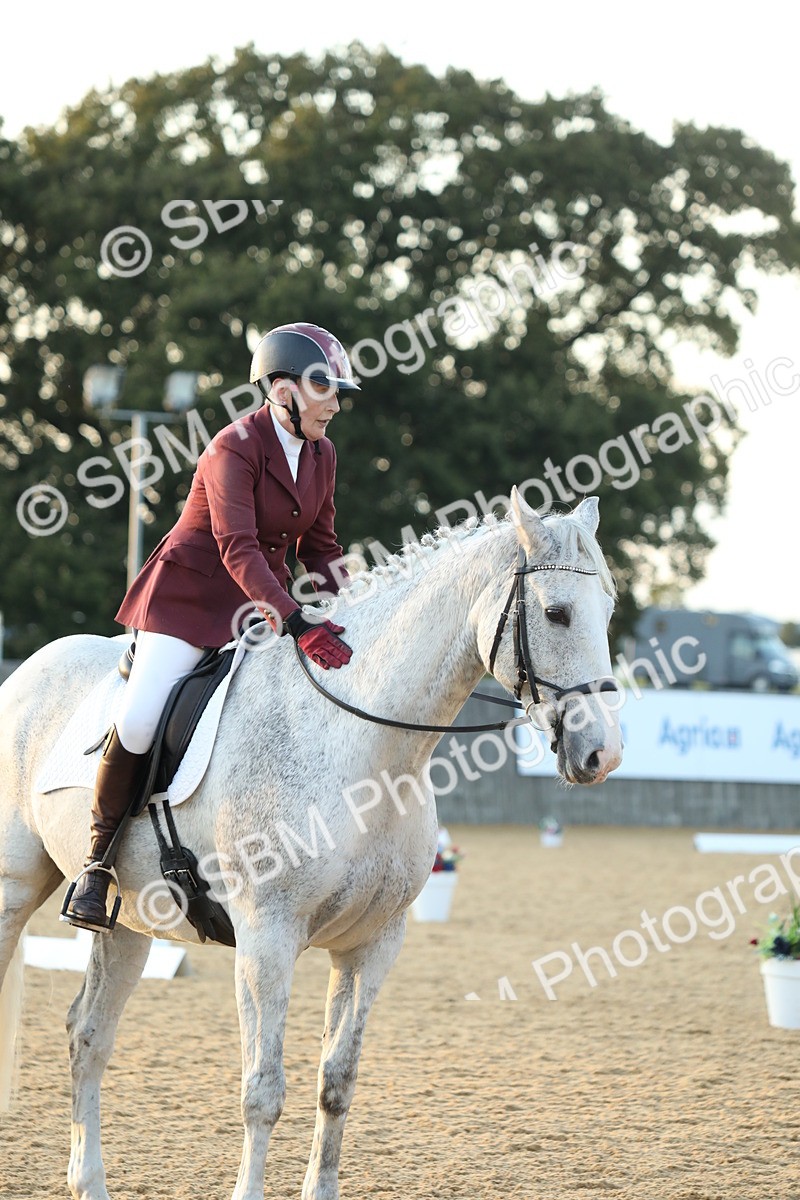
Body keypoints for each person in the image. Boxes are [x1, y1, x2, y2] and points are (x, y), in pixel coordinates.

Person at [62, 322, 358, 933]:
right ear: (280, 389)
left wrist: (347, 611)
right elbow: (238, 547)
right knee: (142, 715)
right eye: (323, 385)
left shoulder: (323, 454)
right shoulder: (233, 447)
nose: (336, 400)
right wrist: (297, 619)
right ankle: (97, 862)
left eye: (338, 388)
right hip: (189, 600)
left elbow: (322, 548)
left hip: (257, 608)